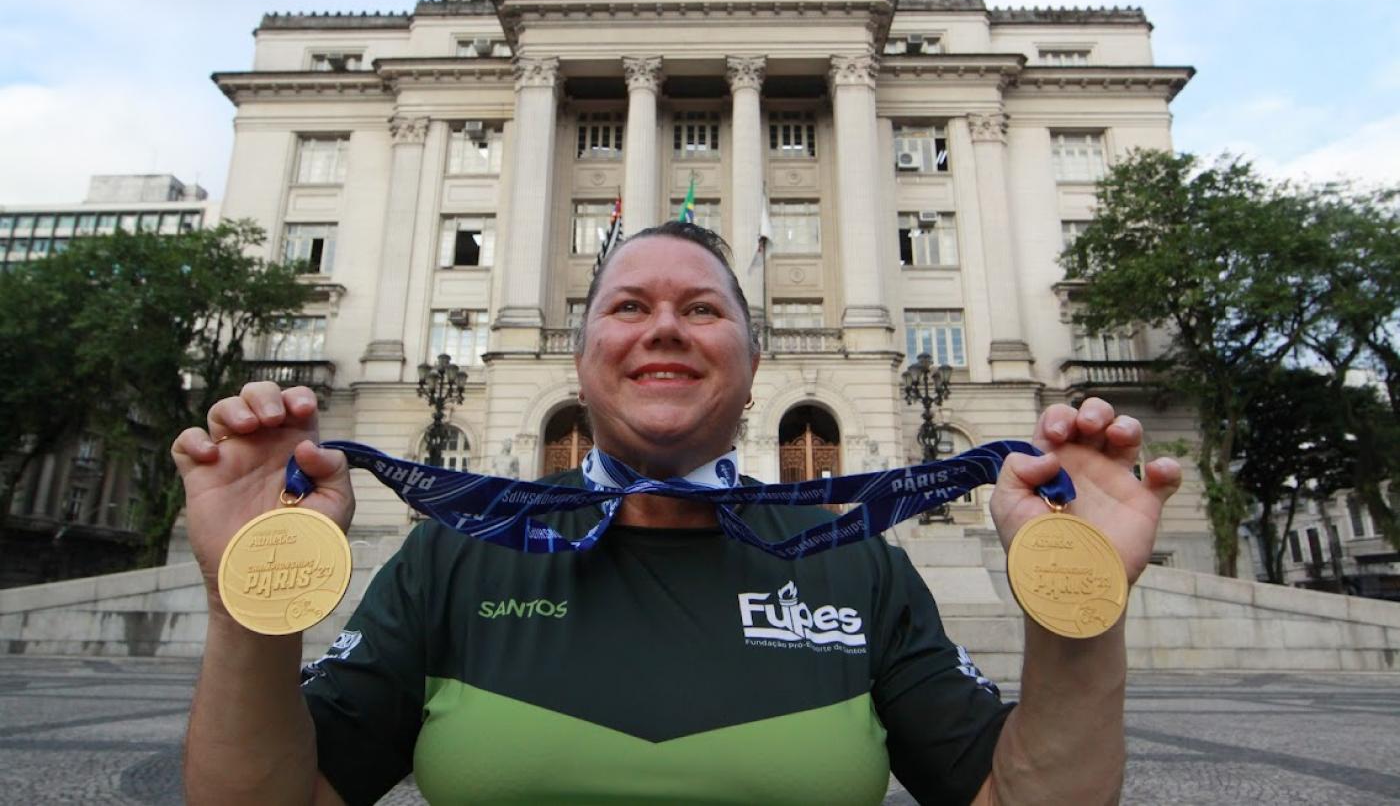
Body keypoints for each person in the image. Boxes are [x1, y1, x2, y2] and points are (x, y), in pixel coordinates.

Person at [176, 222, 1181, 805]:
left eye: (703, 310)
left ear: (752, 375)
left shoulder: (855, 564)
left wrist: (1077, 597)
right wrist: (248, 593)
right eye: (625, 306)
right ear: (581, 365)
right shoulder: (456, 552)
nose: (663, 325)